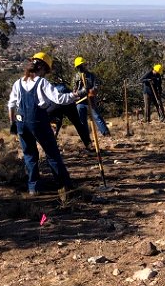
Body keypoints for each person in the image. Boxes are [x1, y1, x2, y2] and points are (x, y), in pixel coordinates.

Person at [8, 52, 91, 195]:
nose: (46, 73)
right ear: (43, 68)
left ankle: (33, 188)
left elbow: (11, 104)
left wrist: (12, 123)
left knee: (29, 155)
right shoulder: (42, 82)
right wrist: (79, 93)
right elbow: (60, 99)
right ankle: (64, 185)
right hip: (38, 121)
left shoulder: (18, 82)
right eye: (46, 70)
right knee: (52, 154)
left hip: (21, 122)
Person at [73, 56, 110, 137]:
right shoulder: (76, 77)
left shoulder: (91, 75)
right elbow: (74, 90)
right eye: (78, 67)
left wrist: (91, 91)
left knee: (96, 116)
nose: (80, 68)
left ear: (84, 65)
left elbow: (96, 85)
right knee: (82, 120)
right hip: (80, 101)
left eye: (81, 66)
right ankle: (86, 137)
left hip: (91, 99)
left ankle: (106, 133)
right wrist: (79, 93)